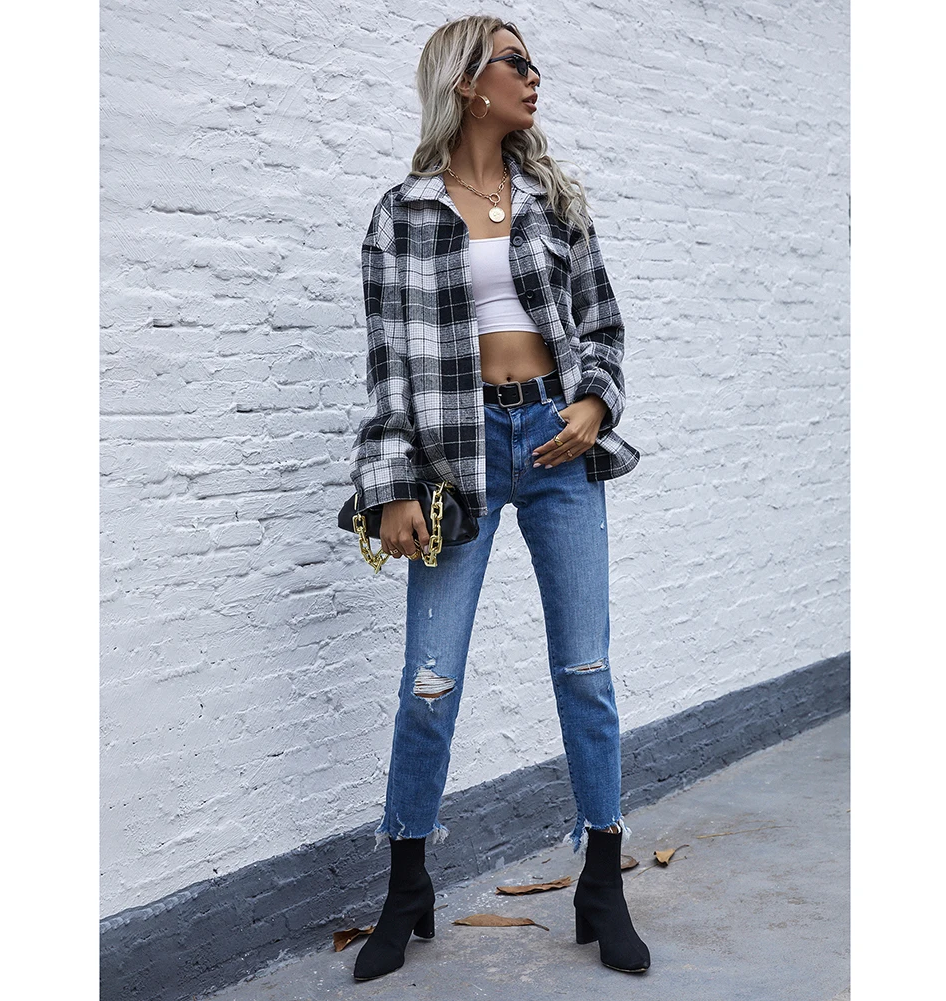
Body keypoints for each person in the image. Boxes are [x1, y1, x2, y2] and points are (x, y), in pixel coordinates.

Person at [347, 14, 649, 981]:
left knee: (587, 670)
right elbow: (389, 370)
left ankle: (601, 883)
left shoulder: (553, 202)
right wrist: (392, 484)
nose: (534, 76)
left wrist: (593, 403)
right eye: (517, 62)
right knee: (430, 682)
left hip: (557, 441)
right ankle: (407, 889)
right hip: (455, 455)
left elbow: (601, 326)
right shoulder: (402, 214)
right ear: (468, 83)